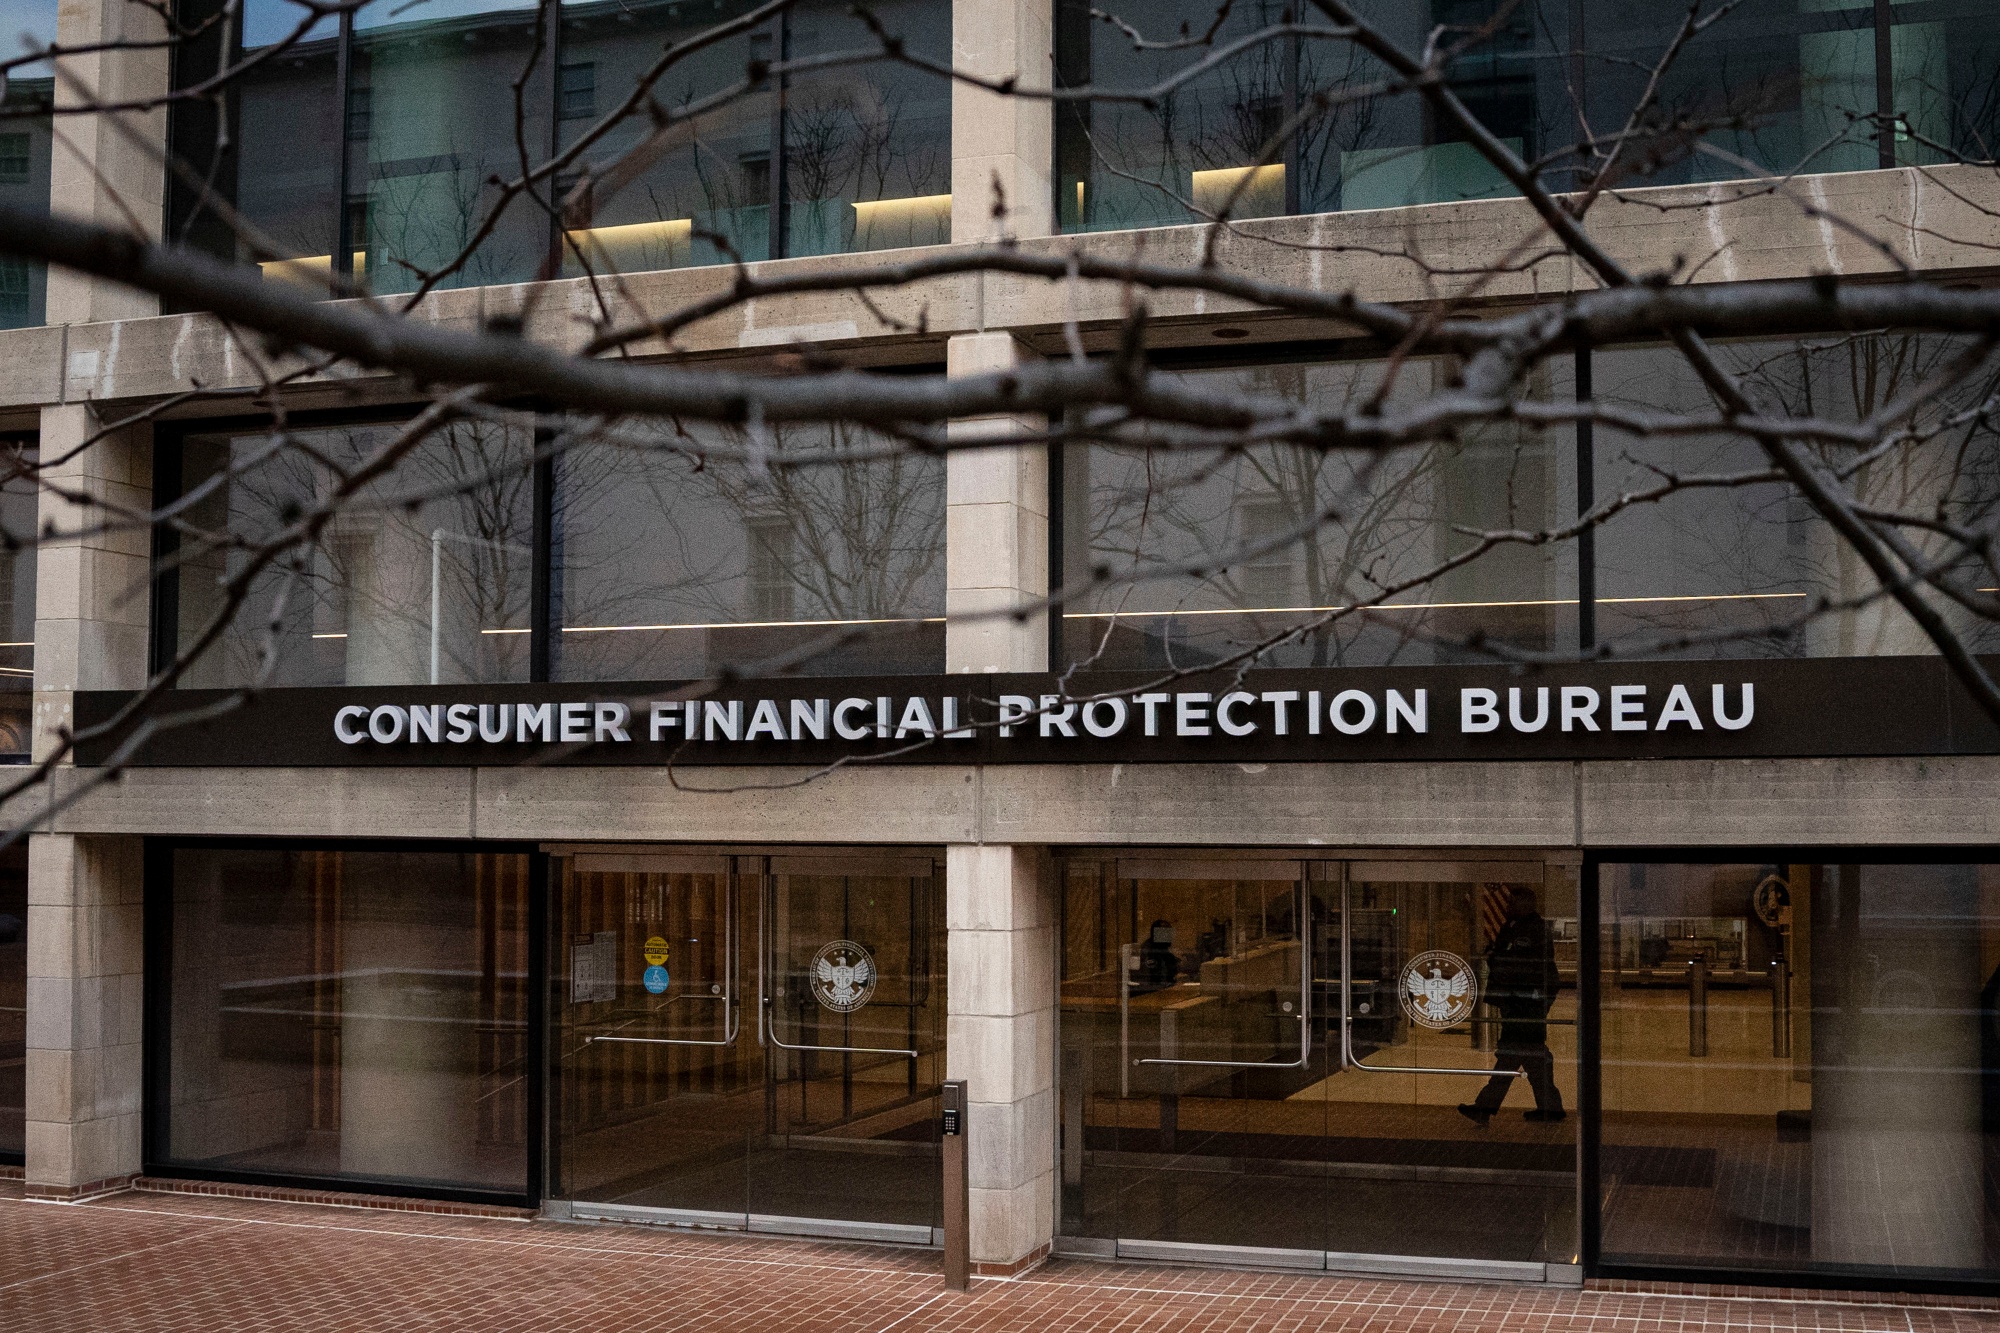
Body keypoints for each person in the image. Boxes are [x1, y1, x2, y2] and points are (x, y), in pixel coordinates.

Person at [1459, 885, 1565, 1125]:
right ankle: (1550, 1108)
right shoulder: (1513, 927)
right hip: (1517, 1001)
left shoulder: (1534, 930)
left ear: (1527, 905)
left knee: (1512, 1055)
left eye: (1513, 904)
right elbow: (1501, 957)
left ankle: (1484, 1109)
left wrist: (1499, 960)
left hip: (1525, 1003)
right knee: (1533, 1057)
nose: (1508, 908)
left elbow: (1518, 965)